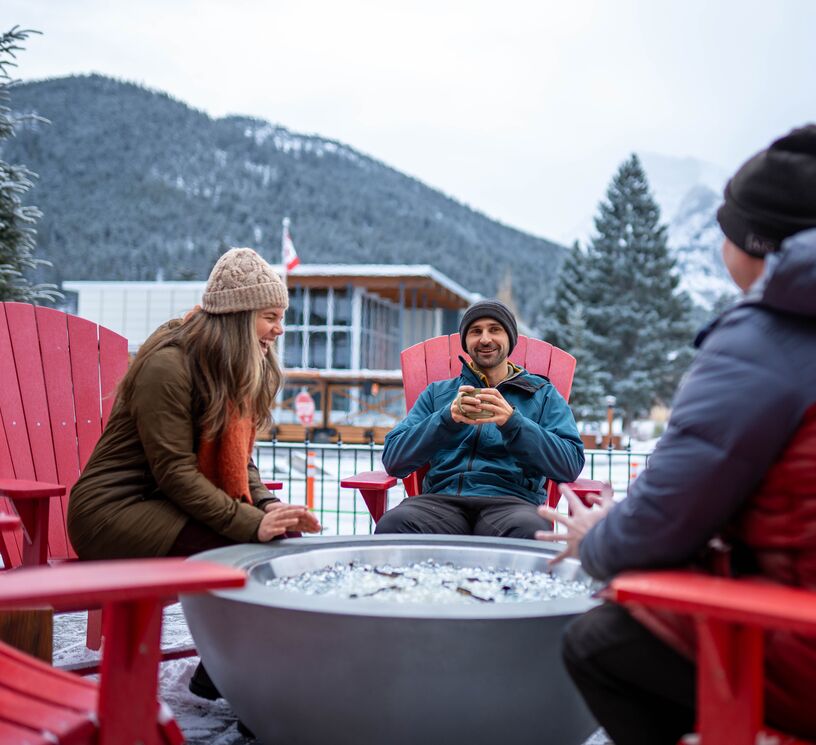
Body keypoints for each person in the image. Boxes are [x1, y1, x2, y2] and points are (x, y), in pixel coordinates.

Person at [536, 125, 816, 745]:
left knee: (601, 645)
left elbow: (658, 528)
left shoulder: (761, 338)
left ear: (745, 242)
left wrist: (599, 537)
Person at [68, 246, 321, 703]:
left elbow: (241, 462)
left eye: (281, 315)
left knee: (282, 548)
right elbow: (175, 474)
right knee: (246, 553)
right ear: (238, 316)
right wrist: (250, 523)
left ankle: (221, 676)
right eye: (270, 316)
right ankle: (249, 687)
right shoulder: (169, 363)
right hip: (115, 512)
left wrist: (267, 506)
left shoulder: (228, 366)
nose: (279, 329)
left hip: (167, 505)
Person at [374, 299, 585, 539]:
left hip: (513, 503)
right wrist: (446, 419)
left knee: (530, 531)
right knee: (394, 524)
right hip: (441, 502)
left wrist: (513, 423)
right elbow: (394, 460)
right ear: (466, 342)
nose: (485, 339)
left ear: (510, 339)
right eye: (476, 331)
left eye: (495, 329)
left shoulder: (542, 394)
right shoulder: (438, 394)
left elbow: (570, 464)